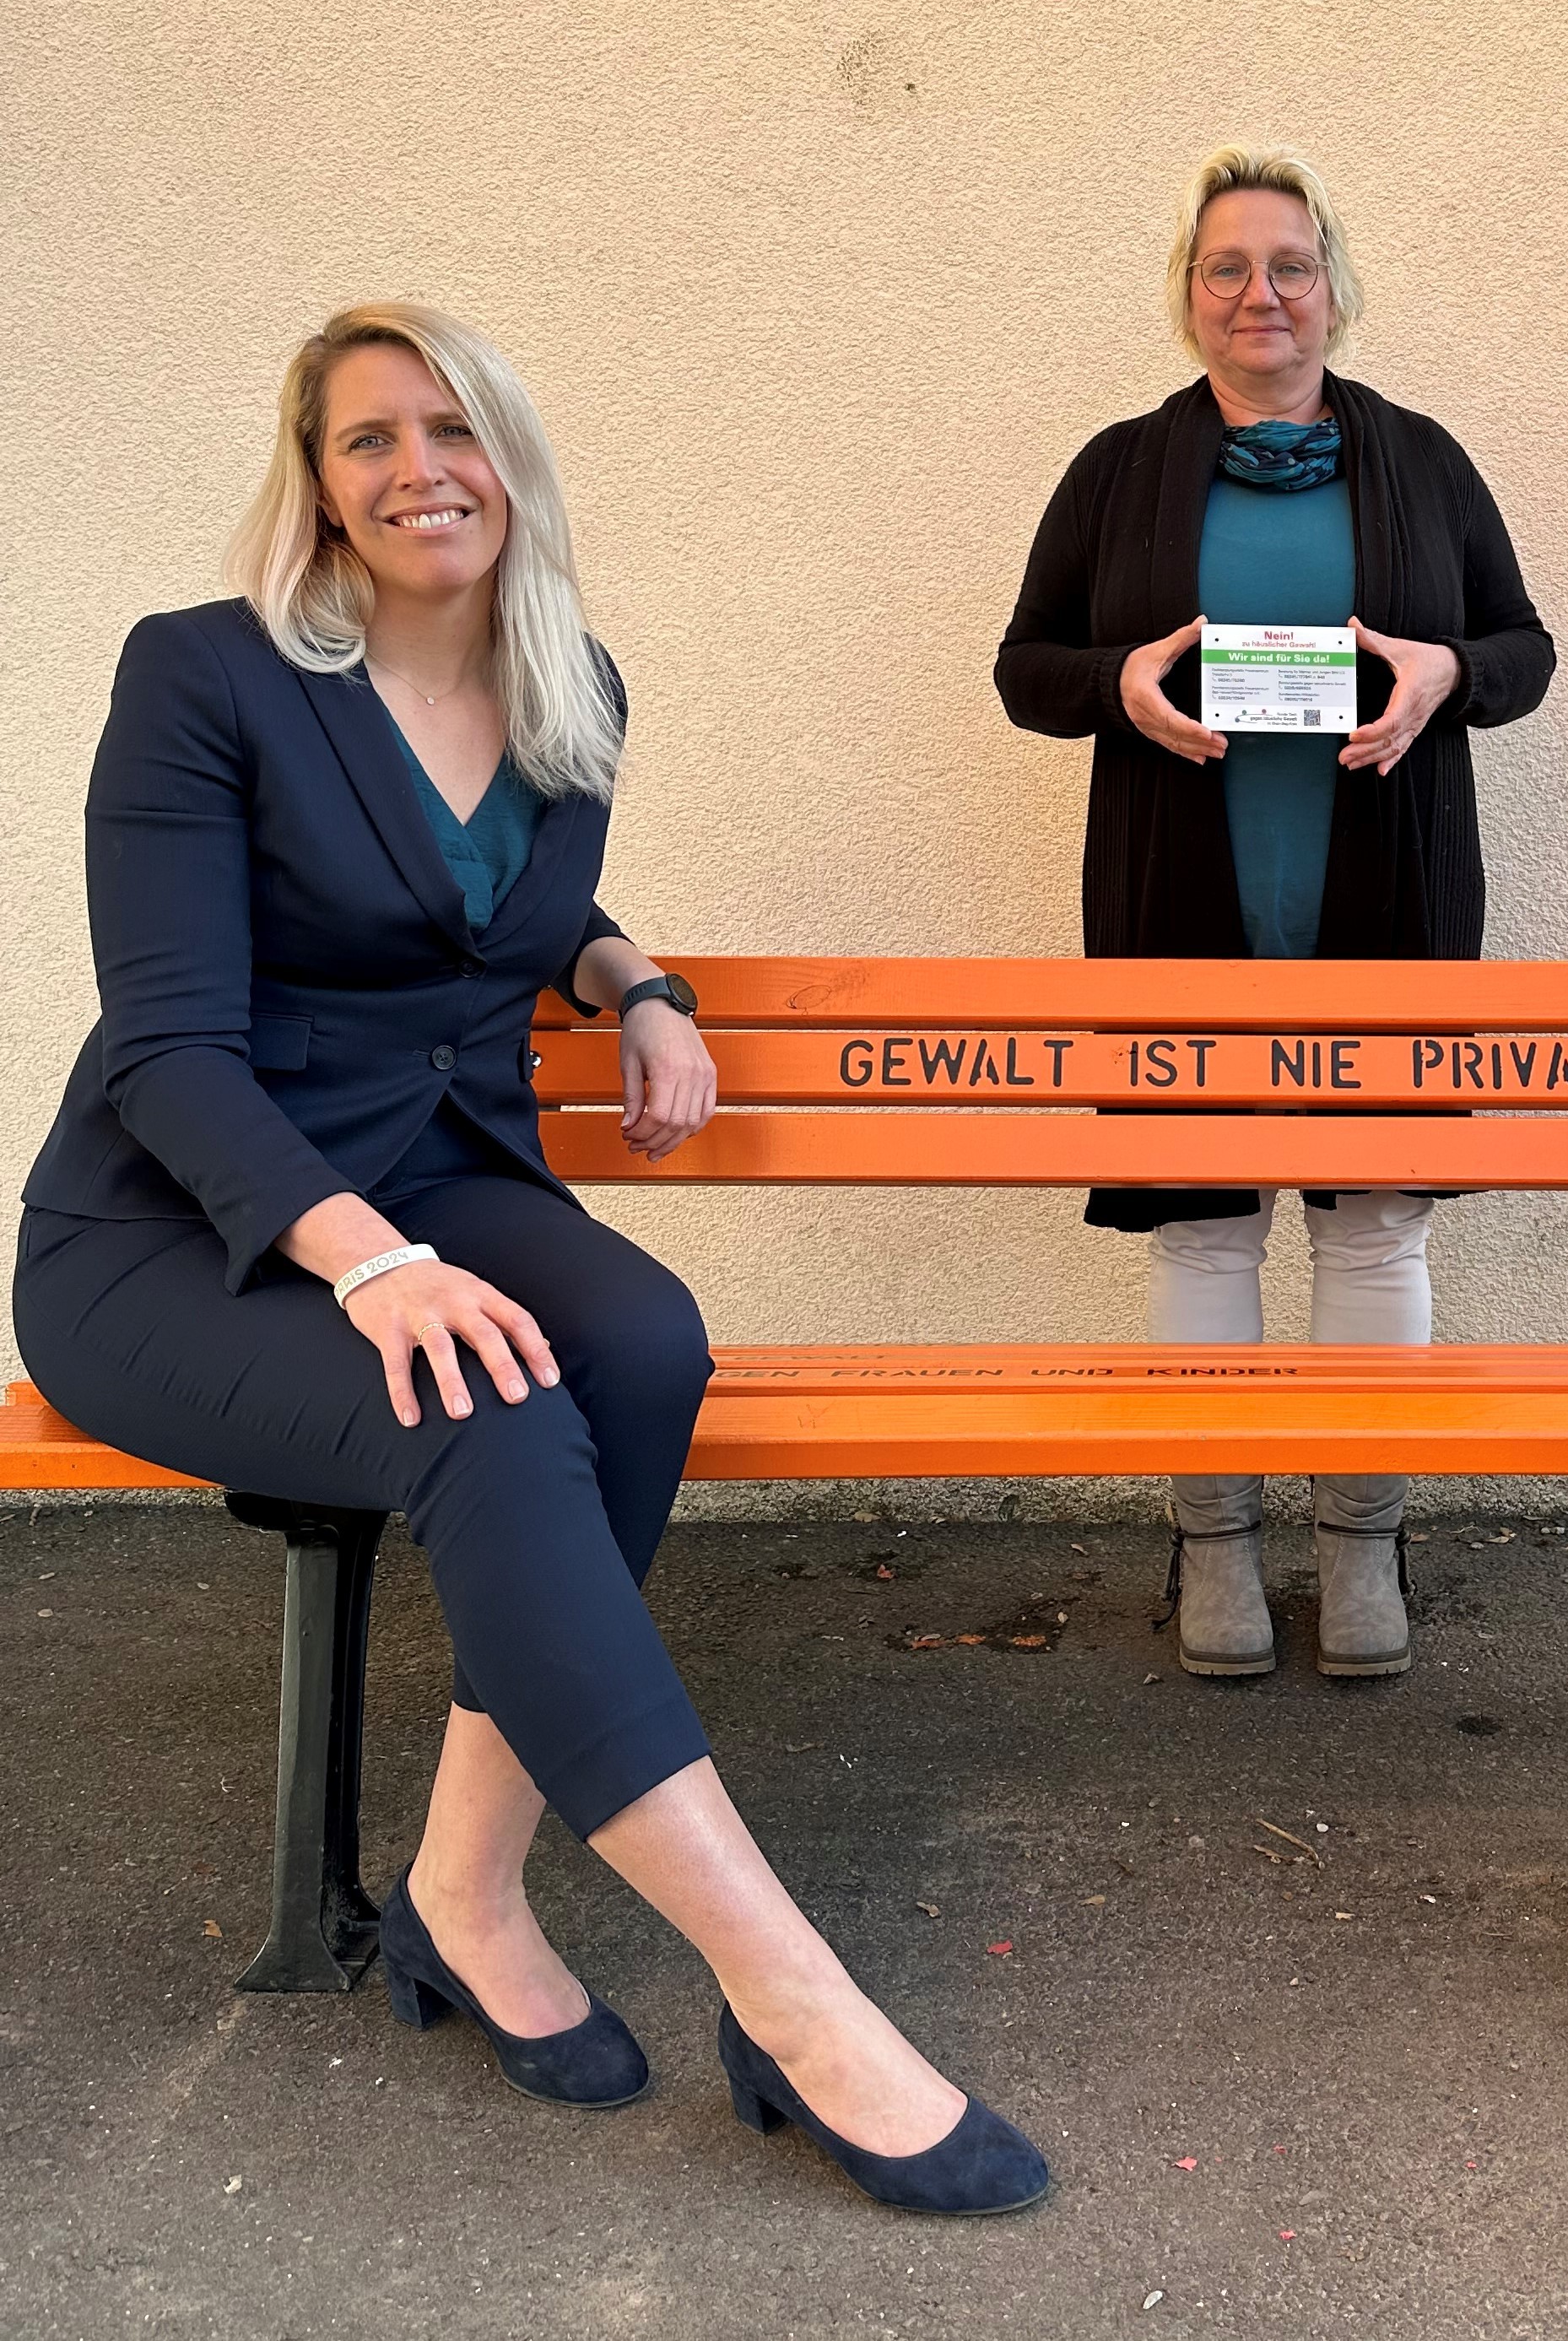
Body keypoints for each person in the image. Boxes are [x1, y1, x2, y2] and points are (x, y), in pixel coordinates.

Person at [14, 303, 1046, 2217]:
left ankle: (463, 1885)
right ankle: (788, 1989)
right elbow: (166, 1041)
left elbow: (477, 892)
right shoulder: (205, 679)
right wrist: (363, 1264)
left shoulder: (576, 693)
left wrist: (625, 975)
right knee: (484, 1411)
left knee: (642, 1341)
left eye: (451, 428)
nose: (419, 469)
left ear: (512, 458)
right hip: (178, 1228)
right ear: (314, 489)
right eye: (366, 440)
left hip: (428, 1168)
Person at [995, 145, 1554, 1681]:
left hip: (1385, 902)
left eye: (1290, 264)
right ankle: (1219, 1538)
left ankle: (1363, 1538)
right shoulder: (1120, 470)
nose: (1261, 293)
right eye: (1228, 266)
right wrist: (1118, 684)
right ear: (1190, 298)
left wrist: (1447, 676)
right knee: (1204, 1222)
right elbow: (1025, 666)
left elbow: (1522, 649)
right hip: (1186, 898)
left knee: (1373, 1222)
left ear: (1333, 290)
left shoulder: (1424, 461)